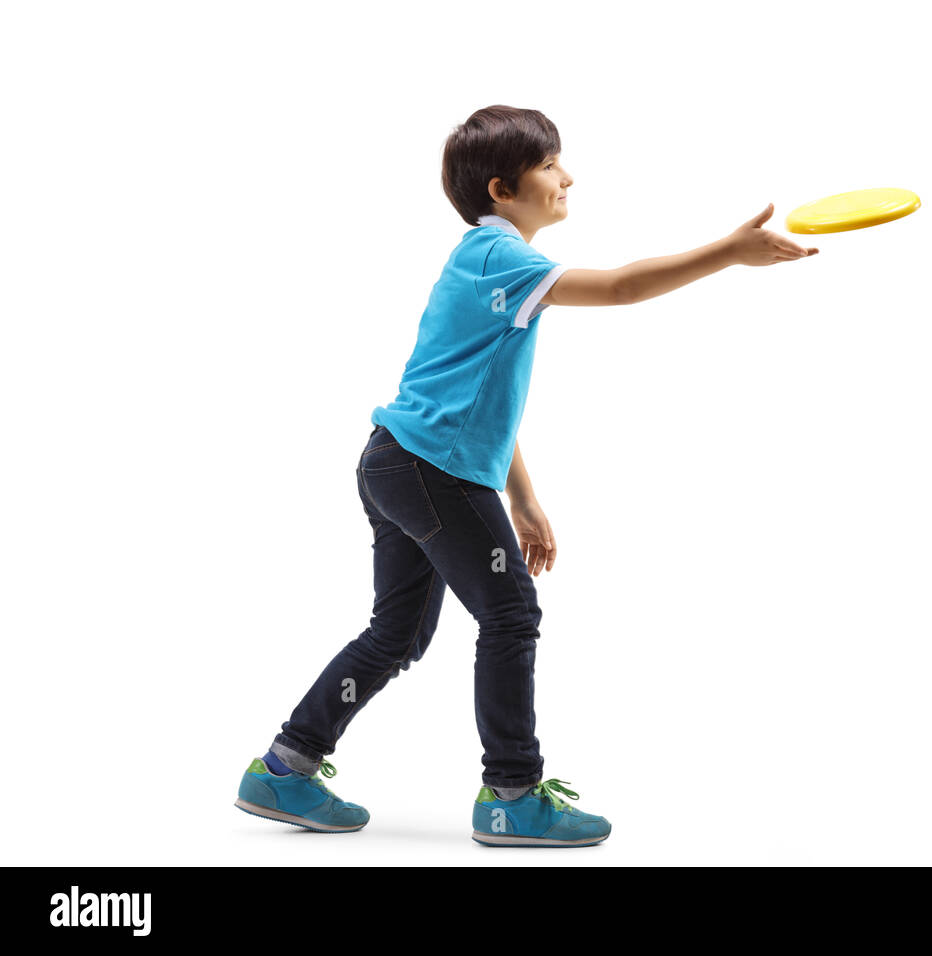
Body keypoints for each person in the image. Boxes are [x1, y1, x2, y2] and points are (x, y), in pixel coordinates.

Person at [233, 104, 818, 847]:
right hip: (427, 469)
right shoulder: (499, 257)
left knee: (398, 634)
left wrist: (524, 497)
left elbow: (470, 398)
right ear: (504, 189)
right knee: (510, 614)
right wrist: (727, 252)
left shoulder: (489, 268)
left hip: (400, 462)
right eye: (550, 165)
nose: (567, 175)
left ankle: (284, 768)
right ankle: (511, 793)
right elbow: (620, 289)